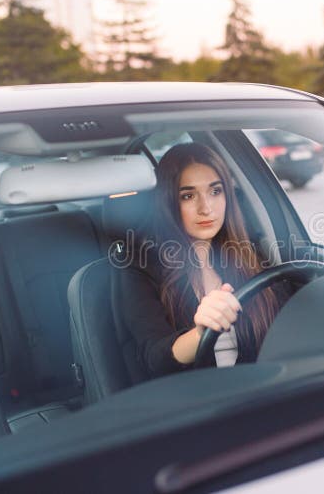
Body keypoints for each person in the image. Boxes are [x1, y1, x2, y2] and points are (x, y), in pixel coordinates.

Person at [120, 142, 282, 381]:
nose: (206, 208)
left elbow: (291, 312)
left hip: (260, 391)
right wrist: (200, 333)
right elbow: (154, 357)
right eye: (188, 196)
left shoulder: (249, 253)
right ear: (168, 203)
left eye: (215, 191)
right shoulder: (141, 267)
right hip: (196, 405)